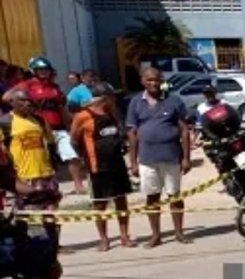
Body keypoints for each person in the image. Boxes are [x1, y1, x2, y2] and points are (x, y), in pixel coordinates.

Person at [126, 67, 192, 247]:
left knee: (174, 196)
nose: (153, 83)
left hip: (171, 157)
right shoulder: (135, 103)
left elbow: (185, 130)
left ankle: (179, 232)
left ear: (161, 80)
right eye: (149, 80)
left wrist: (186, 157)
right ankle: (156, 235)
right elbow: (132, 133)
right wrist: (133, 162)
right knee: (152, 197)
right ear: (142, 81)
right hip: (147, 159)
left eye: (156, 80)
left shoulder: (174, 101)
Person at [6, 57, 87, 195]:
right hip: (38, 128)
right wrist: (24, 108)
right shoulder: (27, 85)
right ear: (34, 71)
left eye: (46, 69)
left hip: (58, 127)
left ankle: (78, 185)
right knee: (43, 159)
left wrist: (70, 124)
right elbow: (7, 97)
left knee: (72, 155)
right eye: (40, 70)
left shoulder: (54, 87)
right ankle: (37, 189)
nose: (44, 72)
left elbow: (61, 107)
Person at [70, 82, 134, 251]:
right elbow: (74, 140)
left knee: (121, 200)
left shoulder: (112, 112)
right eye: (113, 97)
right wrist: (83, 158)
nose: (115, 100)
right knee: (100, 204)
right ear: (105, 98)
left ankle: (124, 235)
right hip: (97, 166)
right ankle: (103, 238)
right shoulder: (82, 116)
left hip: (117, 164)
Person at [4, 88, 62, 245]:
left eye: (29, 100)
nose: (27, 103)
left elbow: (51, 143)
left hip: (45, 174)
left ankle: (53, 244)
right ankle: (21, 243)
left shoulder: (39, 120)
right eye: (22, 101)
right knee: (24, 214)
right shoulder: (5, 122)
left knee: (50, 211)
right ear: (12, 103)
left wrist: (52, 165)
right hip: (22, 177)